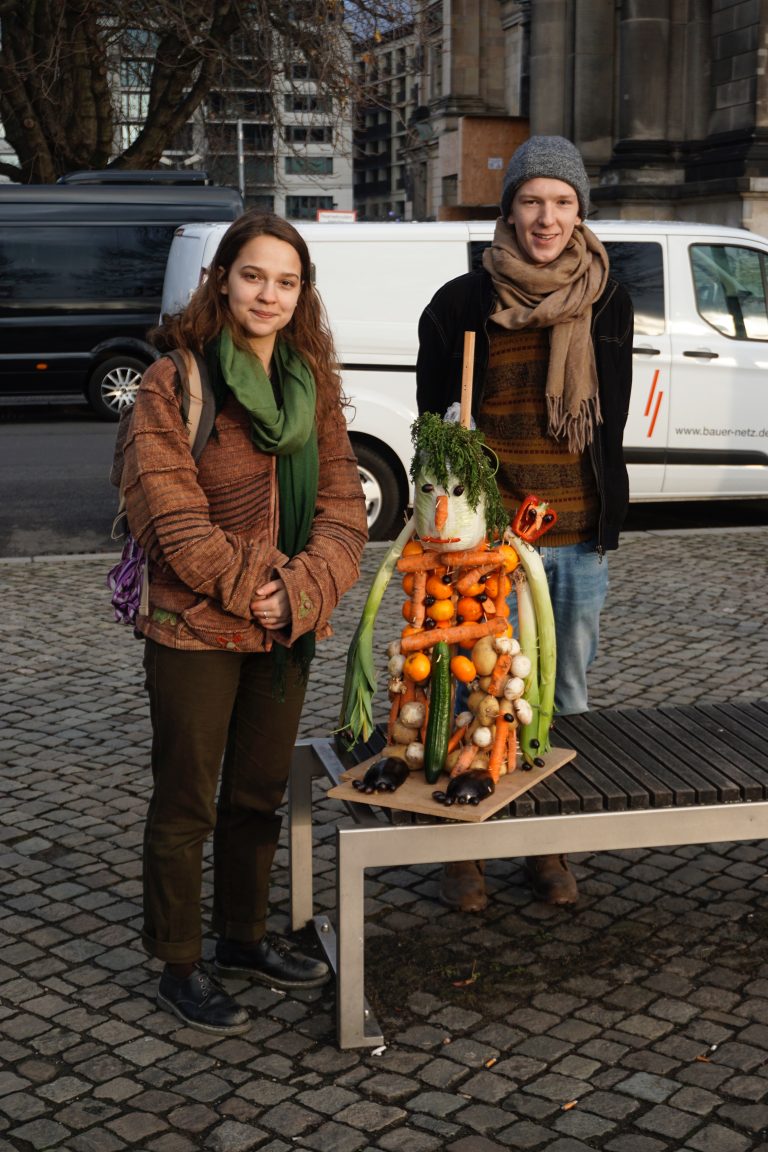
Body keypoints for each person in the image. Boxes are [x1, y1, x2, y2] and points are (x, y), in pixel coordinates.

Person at [122, 211, 368, 1035]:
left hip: (283, 627)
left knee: (259, 796)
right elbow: (171, 515)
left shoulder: (313, 383)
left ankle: (243, 937)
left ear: (303, 296)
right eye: (255, 275)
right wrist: (256, 584)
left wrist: (301, 592)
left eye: (287, 282)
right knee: (187, 800)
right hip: (194, 626)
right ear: (223, 278)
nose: (269, 294)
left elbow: (344, 508)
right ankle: (180, 962)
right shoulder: (176, 382)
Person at [416, 135, 633, 913]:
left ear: (581, 213)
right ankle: (463, 847)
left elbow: (606, 424)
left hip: (573, 538)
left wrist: (607, 521)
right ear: (508, 207)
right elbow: (433, 434)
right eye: (533, 200)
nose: (547, 218)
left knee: (560, 695)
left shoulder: (608, 295)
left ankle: (546, 841)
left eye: (563, 202)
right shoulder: (460, 303)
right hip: (485, 544)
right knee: (476, 692)